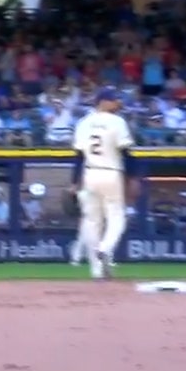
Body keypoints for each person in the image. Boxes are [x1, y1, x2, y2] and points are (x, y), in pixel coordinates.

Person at [72, 87, 135, 279]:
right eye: (114, 100)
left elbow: (78, 156)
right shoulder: (117, 121)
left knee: (92, 222)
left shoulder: (83, 122)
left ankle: (97, 270)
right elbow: (126, 153)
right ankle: (105, 248)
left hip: (90, 174)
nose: (118, 103)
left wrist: (74, 181)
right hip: (111, 173)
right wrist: (132, 178)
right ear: (102, 101)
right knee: (117, 218)